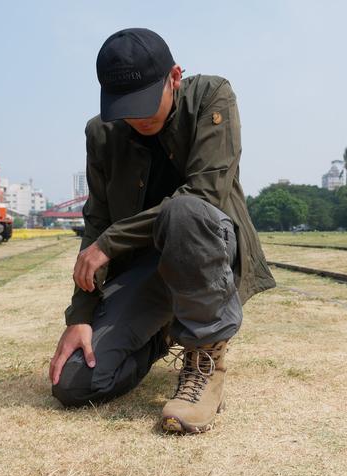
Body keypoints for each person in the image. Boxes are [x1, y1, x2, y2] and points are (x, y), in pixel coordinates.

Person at [48, 28, 275, 434]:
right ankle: (165, 332)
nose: (138, 118)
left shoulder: (211, 96)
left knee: (185, 211)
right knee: (76, 382)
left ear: (174, 76)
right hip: (145, 269)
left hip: (209, 249)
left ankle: (204, 360)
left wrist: (110, 242)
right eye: (125, 108)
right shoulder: (101, 133)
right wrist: (80, 315)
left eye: (146, 104)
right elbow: (97, 219)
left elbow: (206, 191)